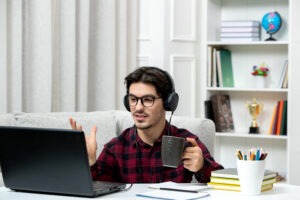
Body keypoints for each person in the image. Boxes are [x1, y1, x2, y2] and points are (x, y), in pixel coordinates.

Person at [69, 66, 223, 183]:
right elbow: (98, 189)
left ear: (168, 103)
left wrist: (202, 166)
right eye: (133, 99)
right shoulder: (115, 148)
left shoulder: (186, 142)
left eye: (148, 99)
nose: (138, 107)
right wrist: (89, 161)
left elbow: (224, 183)